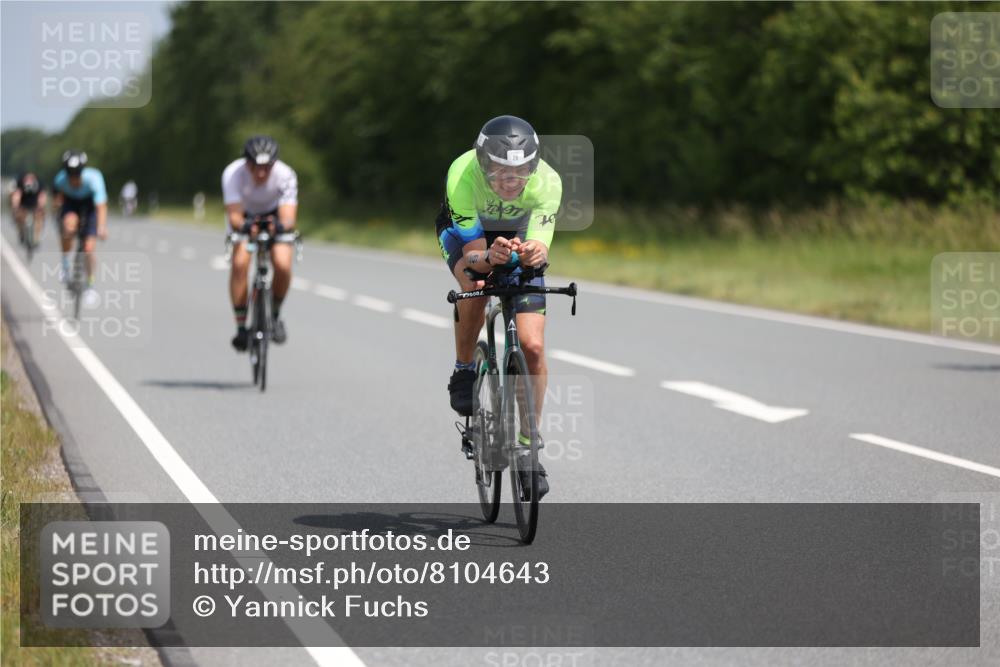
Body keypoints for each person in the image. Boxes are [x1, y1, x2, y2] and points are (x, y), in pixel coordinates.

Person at [437, 115, 562, 497]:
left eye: (520, 172)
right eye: (500, 172)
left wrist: (530, 252)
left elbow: (541, 246)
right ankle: (463, 369)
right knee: (474, 285)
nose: (511, 181)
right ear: (482, 163)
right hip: (471, 238)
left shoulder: (548, 181)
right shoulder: (462, 175)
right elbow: (475, 257)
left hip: (519, 233)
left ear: (533, 166)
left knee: (533, 346)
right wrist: (490, 257)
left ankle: (528, 445)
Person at [222, 135, 298, 351]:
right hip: (244, 218)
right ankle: (241, 328)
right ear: (247, 163)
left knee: (282, 264)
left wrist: (280, 227)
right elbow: (234, 217)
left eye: (267, 167)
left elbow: (288, 217)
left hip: (275, 216)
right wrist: (247, 227)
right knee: (240, 264)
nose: (262, 173)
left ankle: (274, 316)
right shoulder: (232, 174)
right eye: (256, 167)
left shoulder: (285, 174)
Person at [52, 150, 108, 307]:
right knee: (68, 227)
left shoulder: (94, 178)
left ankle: (90, 285)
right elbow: (57, 201)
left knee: (89, 248)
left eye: (77, 176)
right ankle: (64, 265)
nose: (74, 180)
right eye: (71, 176)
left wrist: (102, 227)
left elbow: (101, 206)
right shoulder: (60, 180)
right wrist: (59, 219)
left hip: (89, 206)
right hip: (71, 204)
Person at [9, 171, 47, 247]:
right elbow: (17, 195)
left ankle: (36, 237)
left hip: (34, 203)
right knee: (19, 216)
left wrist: (41, 207)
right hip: (23, 203)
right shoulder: (20, 183)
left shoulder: (39, 183)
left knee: (39, 217)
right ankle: (21, 232)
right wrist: (16, 206)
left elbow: (42, 196)